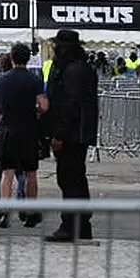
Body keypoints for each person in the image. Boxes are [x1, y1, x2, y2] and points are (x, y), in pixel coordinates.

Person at [43, 29, 99, 243]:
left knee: (69, 178)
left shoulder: (72, 70)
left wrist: (58, 134)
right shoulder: (80, 67)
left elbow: (69, 106)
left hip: (71, 134)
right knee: (76, 177)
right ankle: (82, 223)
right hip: (79, 133)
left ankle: (70, 224)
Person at [0, 43, 48, 229]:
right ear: (28, 58)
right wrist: (37, 111)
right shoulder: (34, 79)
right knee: (31, 173)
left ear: (12, 57)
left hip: (7, 129)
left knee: (7, 173)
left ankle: (5, 211)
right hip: (29, 130)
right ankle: (31, 212)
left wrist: (2, 113)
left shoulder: (1, 80)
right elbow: (44, 105)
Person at [0, 53, 25, 203]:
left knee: (3, 170)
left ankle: (2, 202)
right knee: (21, 169)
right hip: (24, 128)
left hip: (4, 128)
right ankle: (21, 193)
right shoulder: (29, 80)